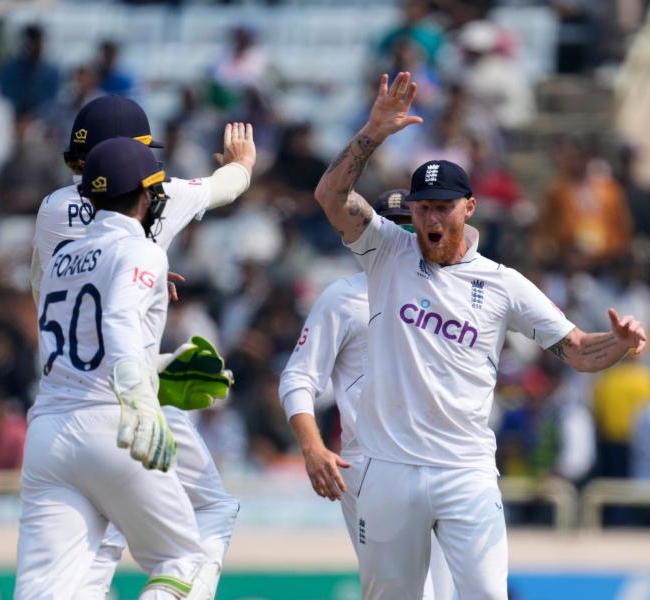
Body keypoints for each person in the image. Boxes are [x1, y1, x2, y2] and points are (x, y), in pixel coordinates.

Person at [313, 71, 648, 599]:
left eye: (442, 207)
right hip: (389, 469)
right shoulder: (387, 251)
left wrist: (622, 344)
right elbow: (331, 196)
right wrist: (374, 131)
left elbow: (580, 350)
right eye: (422, 208)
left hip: (465, 471)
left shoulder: (503, 284)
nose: (430, 219)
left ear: (469, 207)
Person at [29, 94, 255, 596]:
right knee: (201, 529)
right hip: (128, 400)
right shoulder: (159, 204)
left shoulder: (51, 212)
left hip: (53, 408)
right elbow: (226, 186)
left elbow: (53, 288)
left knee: (74, 568)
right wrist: (242, 165)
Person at [280, 189, 454, 600]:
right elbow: (297, 378)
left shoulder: (452, 291)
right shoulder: (344, 297)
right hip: (372, 464)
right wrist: (312, 449)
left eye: (410, 227)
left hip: (445, 460)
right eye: (394, 227)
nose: (405, 237)